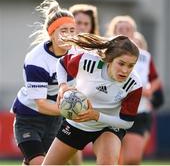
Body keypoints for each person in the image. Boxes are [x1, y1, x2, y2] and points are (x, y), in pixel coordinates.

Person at [42, 33, 143, 165]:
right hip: (76, 124)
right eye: (121, 63)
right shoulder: (88, 61)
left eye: (131, 66)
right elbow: (61, 63)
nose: (125, 70)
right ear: (109, 59)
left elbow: (127, 123)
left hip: (108, 127)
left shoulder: (134, 84)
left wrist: (96, 116)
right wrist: (62, 86)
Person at [10, 0, 77, 165]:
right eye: (63, 31)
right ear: (51, 33)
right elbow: (40, 104)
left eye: (72, 30)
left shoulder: (78, 52)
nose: (68, 35)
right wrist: (74, 111)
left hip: (56, 118)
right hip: (29, 117)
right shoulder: (36, 60)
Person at [106, 15, 163, 164]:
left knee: (132, 159)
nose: (125, 32)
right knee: (112, 159)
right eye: (121, 29)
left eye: (128, 29)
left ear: (134, 32)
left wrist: (149, 91)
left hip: (137, 112)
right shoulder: (105, 54)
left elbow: (156, 79)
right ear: (113, 32)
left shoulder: (144, 56)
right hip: (111, 112)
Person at [69, 3, 100, 164]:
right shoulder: (61, 48)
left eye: (86, 23)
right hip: (61, 103)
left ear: (92, 26)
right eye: (78, 22)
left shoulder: (99, 52)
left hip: (90, 106)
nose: (81, 27)